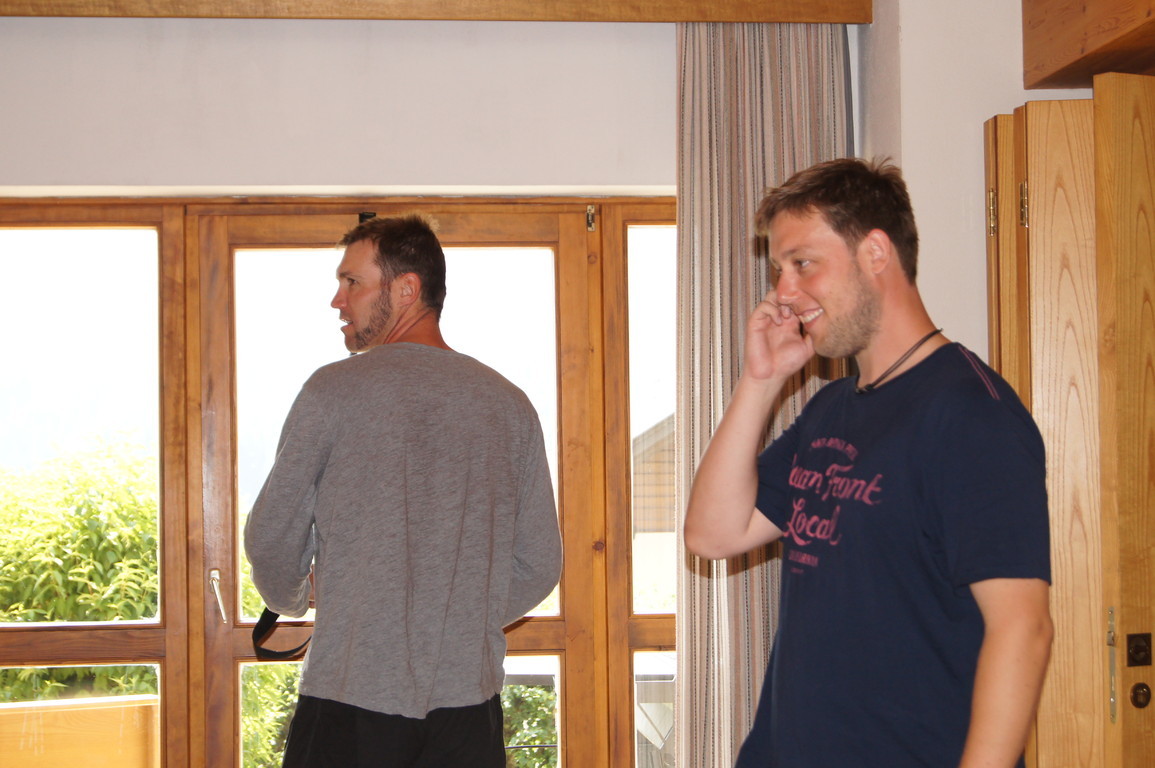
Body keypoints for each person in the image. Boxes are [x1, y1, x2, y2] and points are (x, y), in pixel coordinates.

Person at [683, 158, 1053, 768]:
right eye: (779, 270)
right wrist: (761, 380)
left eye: (803, 263)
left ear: (875, 253)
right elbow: (713, 535)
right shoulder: (830, 408)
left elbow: (1023, 628)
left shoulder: (972, 414)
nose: (783, 292)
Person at [244, 214, 563, 768]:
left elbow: (272, 538)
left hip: (350, 705)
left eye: (352, 282)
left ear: (407, 289)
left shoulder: (332, 391)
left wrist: (295, 600)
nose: (337, 301)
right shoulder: (509, 405)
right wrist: (460, 615)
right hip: (468, 715)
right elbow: (538, 564)